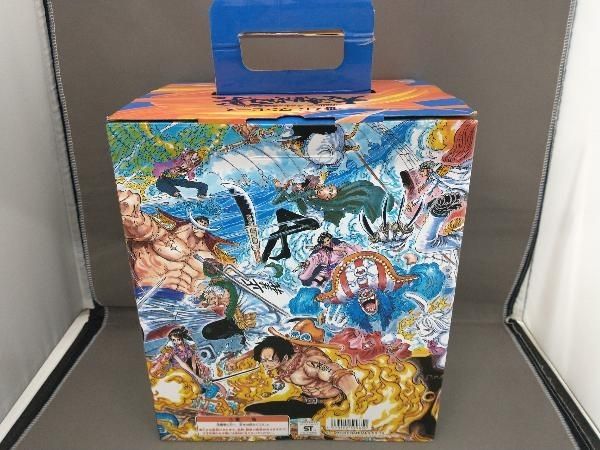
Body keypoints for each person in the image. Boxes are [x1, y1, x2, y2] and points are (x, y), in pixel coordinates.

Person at [118, 189, 236, 295]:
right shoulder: (163, 236)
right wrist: (131, 212)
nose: (200, 226)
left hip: (181, 303)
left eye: (204, 225)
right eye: (198, 223)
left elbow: (223, 278)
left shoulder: (208, 256)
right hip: (148, 293)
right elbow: (145, 228)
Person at [243, 320, 358, 419]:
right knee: (252, 411)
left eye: (270, 360)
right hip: (305, 401)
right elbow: (261, 351)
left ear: (285, 357)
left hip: (331, 404)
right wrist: (238, 359)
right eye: (263, 360)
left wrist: (356, 402)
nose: (266, 364)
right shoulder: (284, 362)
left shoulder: (309, 363)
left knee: (258, 413)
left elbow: (337, 374)